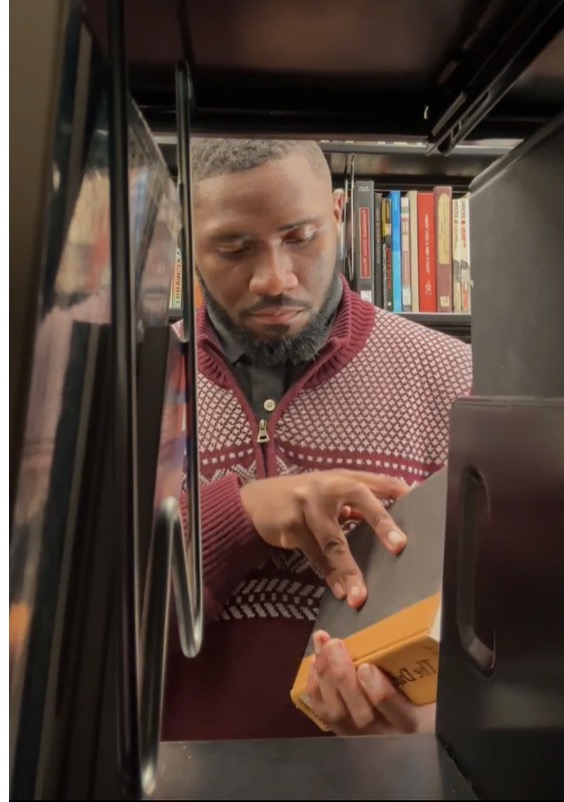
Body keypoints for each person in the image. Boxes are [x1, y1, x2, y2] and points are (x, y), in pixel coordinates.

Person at [163, 138, 472, 742]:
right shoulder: (125, 386)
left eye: (300, 238)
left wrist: (440, 726)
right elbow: (65, 628)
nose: (274, 280)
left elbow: (520, 637)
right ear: (185, 239)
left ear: (337, 216)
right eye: (233, 248)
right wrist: (239, 514)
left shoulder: (459, 380)